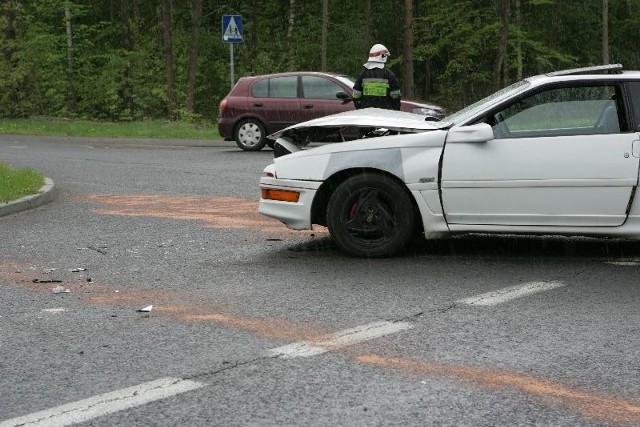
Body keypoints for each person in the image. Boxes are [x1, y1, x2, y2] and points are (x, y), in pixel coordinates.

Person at [352, 44, 401, 111]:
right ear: (383, 56)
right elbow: (395, 95)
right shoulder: (389, 74)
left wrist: (359, 106)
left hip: (366, 112)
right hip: (385, 112)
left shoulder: (363, 74)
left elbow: (356, 95)